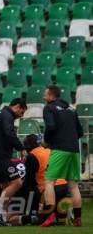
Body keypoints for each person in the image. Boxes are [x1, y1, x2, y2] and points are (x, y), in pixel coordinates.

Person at [40, 84, 84, 227]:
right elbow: (80, 132)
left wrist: (46, 141)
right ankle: (77, 219)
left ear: (52, 97)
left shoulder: (49, 108)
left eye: (45, 95)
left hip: (59, 149)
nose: (43, 97)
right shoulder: (71, 110)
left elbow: (51, 127)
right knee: (73, 186)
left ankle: (50, 216)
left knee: (49, 182)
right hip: (74, 150)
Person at [0, 96, 27, 226]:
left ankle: (1, 217)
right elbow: (9, 133)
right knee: (18, 183)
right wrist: (22, 149)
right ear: (17, 106)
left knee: (8, 188)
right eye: (22, 112)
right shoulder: (7, 114)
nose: (21, 116)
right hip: (0, 156)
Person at [26, 133, 71, 226]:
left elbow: (29, 180)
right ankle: (64, 213)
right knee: (61, 221)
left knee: (41, 220)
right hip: (63, 186)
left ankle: (50, 215)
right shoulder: (50, 150)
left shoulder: (32, 155)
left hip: (50, 189)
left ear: (31, 144)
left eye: (25, 144)